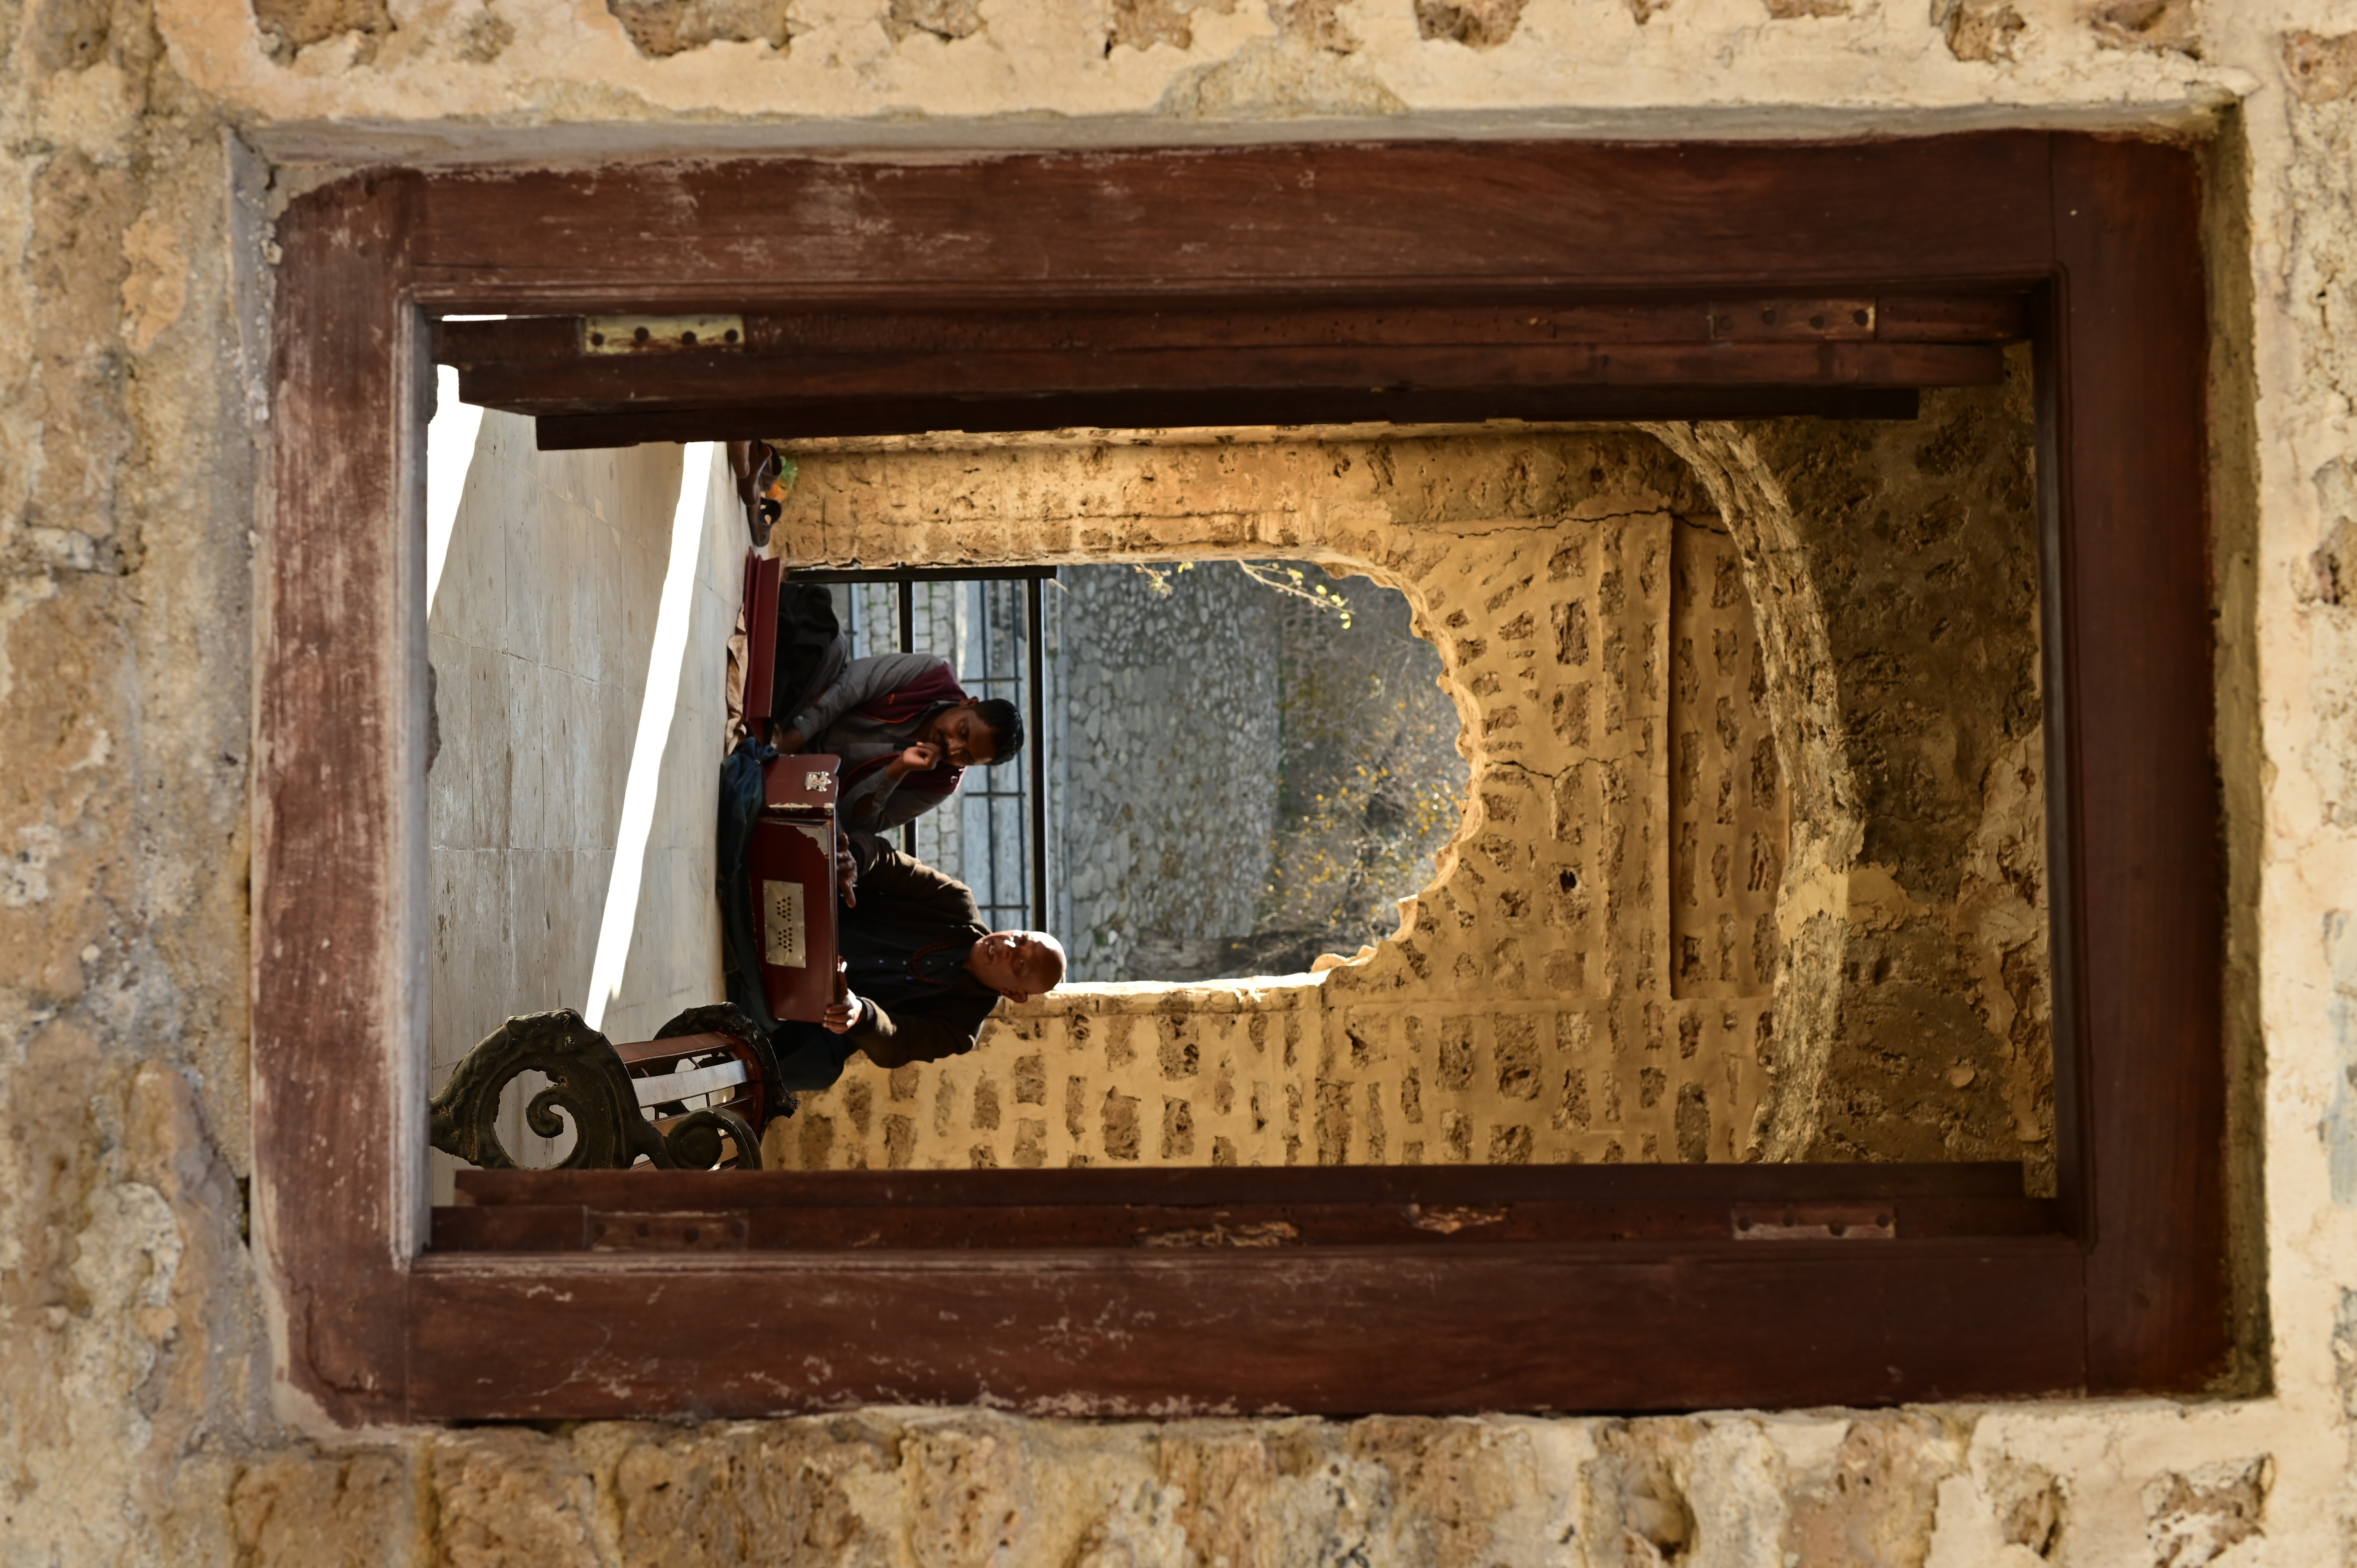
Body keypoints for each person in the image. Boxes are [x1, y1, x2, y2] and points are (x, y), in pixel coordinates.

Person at [758, 830, 1066, 1091]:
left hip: (830, 1010)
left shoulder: (959, 1029)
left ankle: (731, 1062)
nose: (1008, 946)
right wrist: (855, 864)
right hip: (824, 923)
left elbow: (896, 1043)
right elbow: (887, 861)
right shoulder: (956, 903)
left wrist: (859, 1015)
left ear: (1015, 994)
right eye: (1021, 938)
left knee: (822, 1065)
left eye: (1020, 964)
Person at [771, 650, 1023, 832]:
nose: (953, 747)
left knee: (834, 833)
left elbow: (857, 821)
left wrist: (898, 769)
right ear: (969, 703)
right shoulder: (931, 674)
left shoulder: (941, 784)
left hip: (813, 783)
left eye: (966, 757)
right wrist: (795, 737)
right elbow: (852, 685)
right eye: (963, 731)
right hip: (804, 710)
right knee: (833, 645)